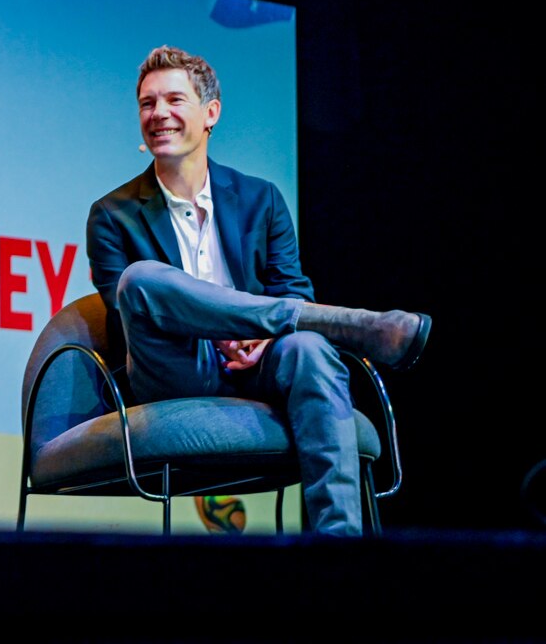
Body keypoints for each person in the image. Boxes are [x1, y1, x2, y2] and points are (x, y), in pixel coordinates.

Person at [86, 45, 431, 536]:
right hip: (173, 367)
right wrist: (227, 329)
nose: (158, 113)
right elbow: (127, 315)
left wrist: (262, 338)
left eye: (173, 100)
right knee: (140, 279)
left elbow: (291, 287)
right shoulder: (111, 213)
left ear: (210, 114)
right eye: (147, 103)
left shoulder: (261, 198)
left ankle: (342, 544)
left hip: (259, 362)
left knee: (310, 347)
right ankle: (351, 324)